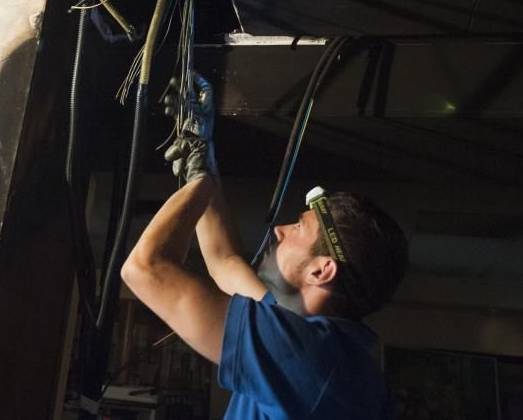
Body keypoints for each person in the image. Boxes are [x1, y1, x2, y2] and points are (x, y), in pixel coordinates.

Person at [120, 76, 409, 419]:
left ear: (322, 270)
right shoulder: (321, 345)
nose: (278, 230)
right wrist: (203, 155)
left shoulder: (313, 362)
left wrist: (201, 184)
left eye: (299, 227)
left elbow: (145, 268)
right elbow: (224, 260)